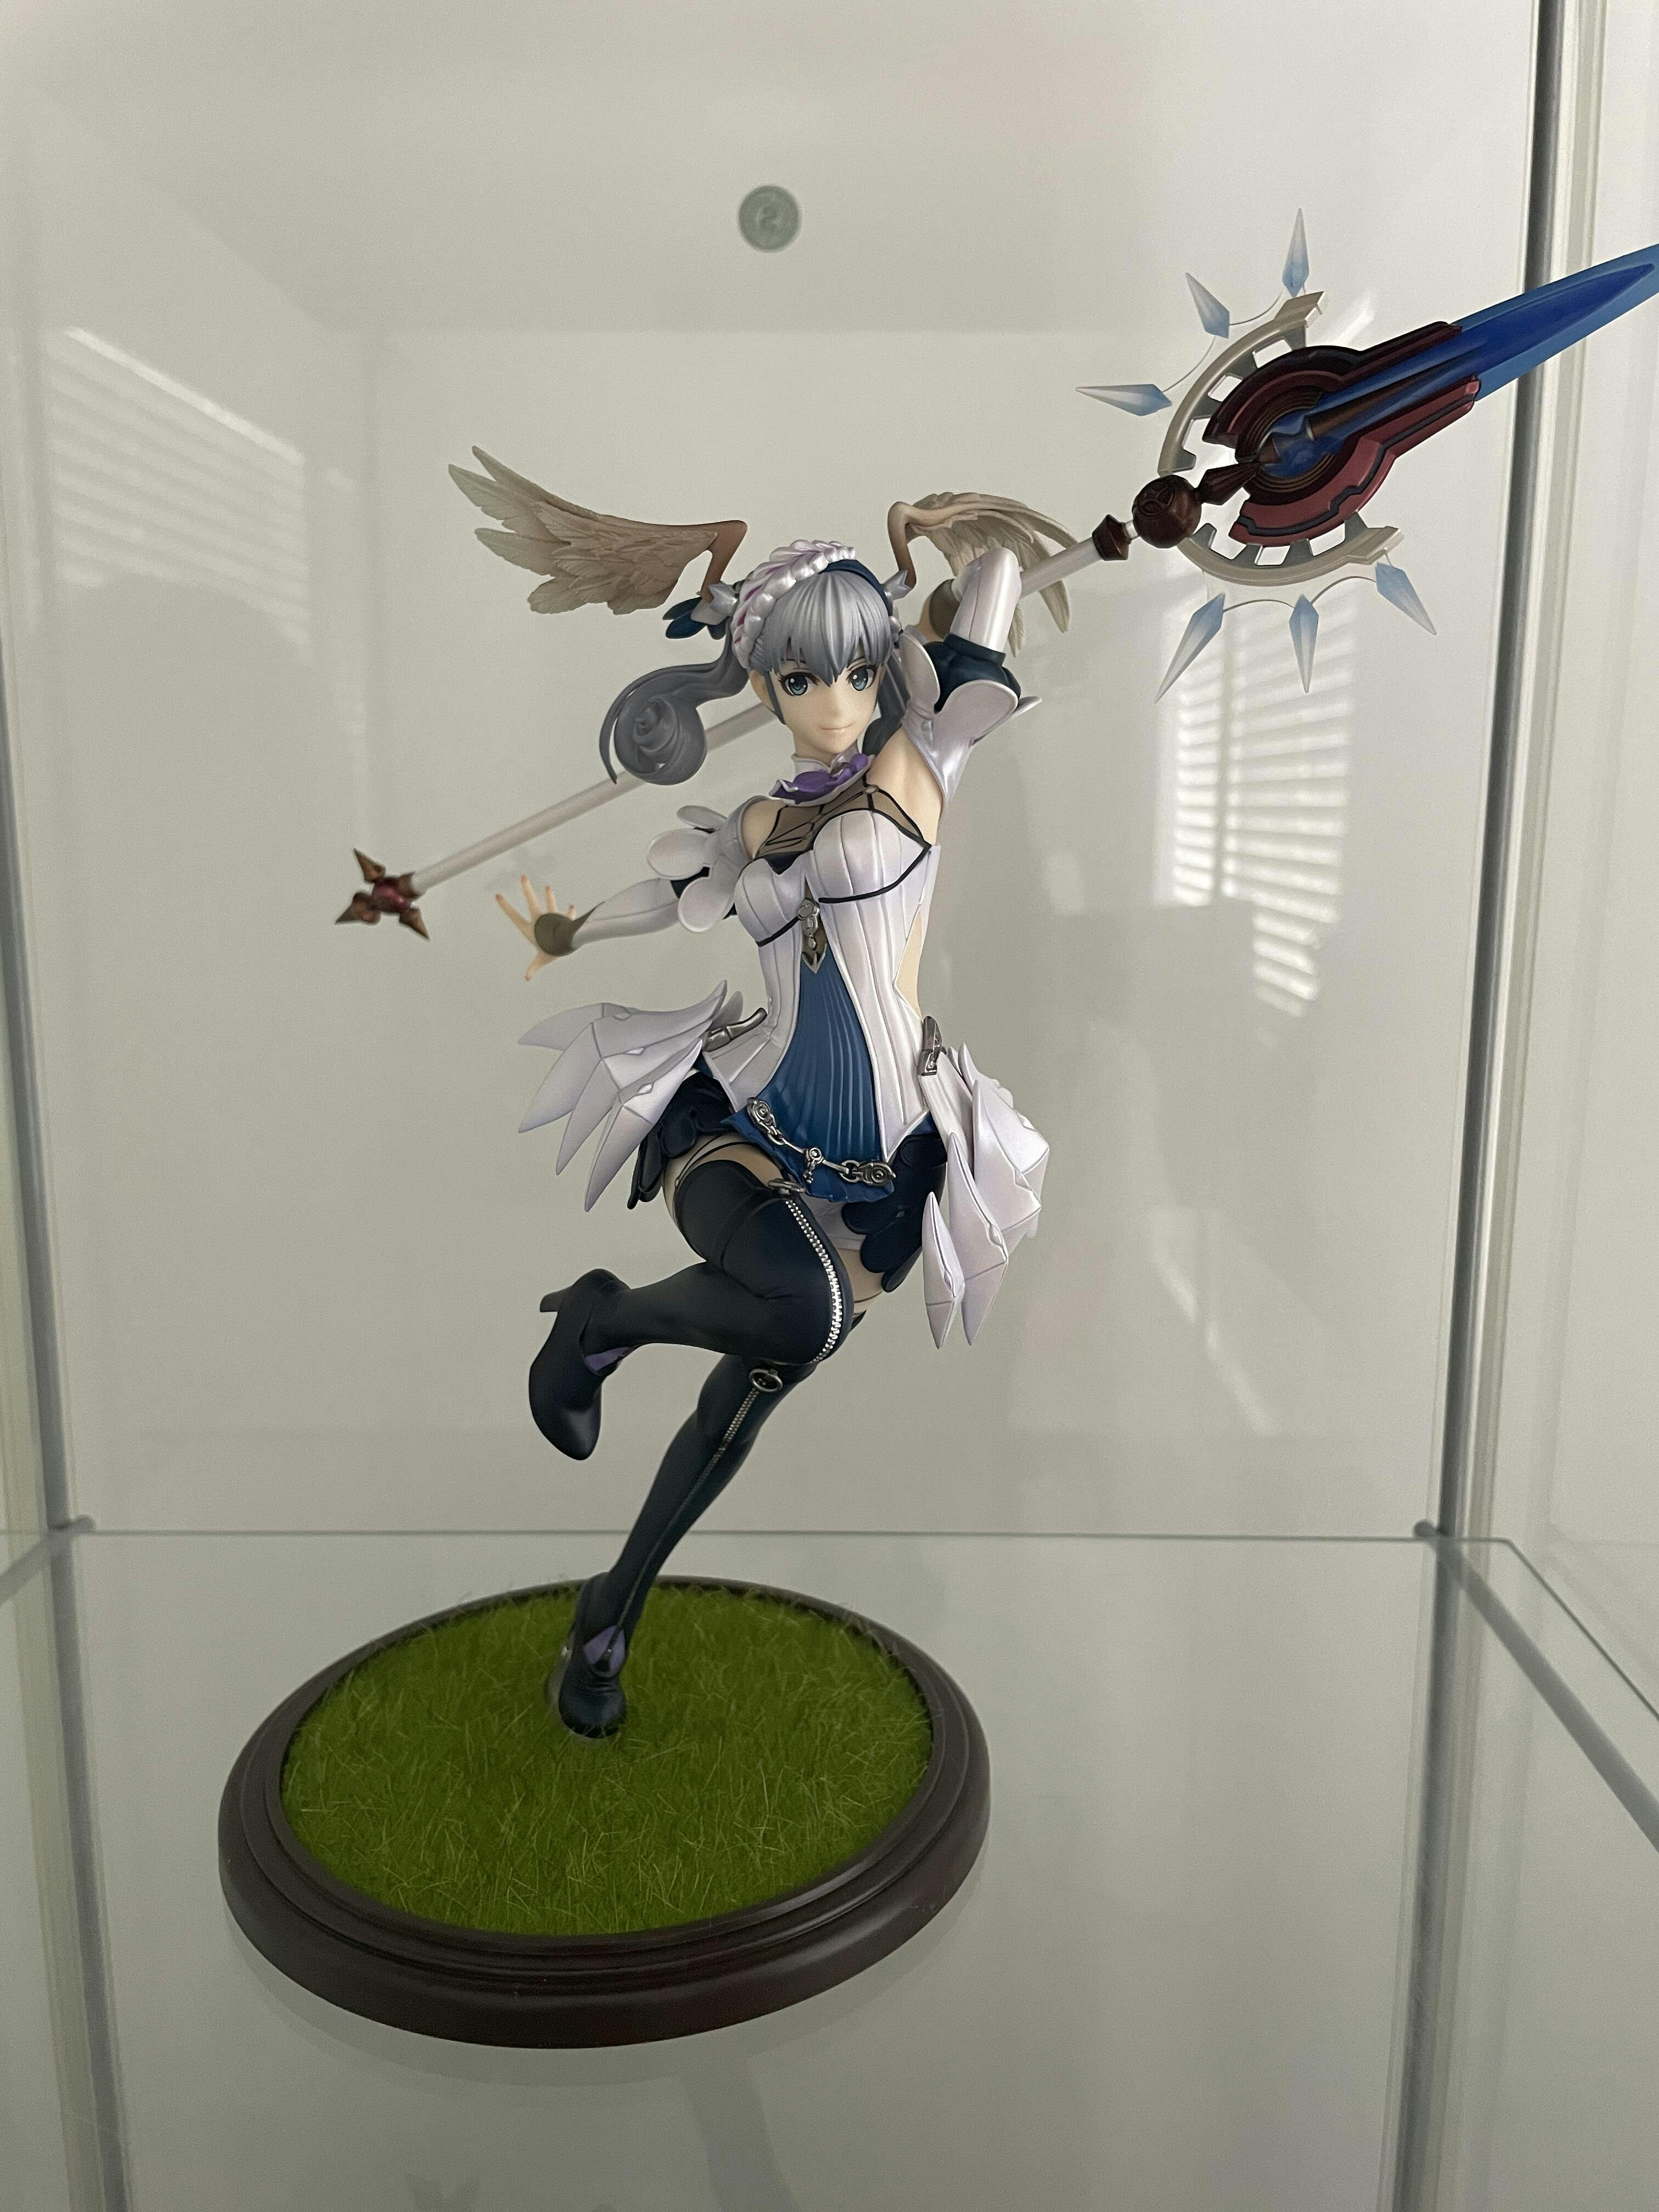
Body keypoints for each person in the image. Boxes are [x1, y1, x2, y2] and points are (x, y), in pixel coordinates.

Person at [455, 459, 1056, 1737]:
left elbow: (1002, 577)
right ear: (763, 684)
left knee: (747, 1399)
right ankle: (608, 1320)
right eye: (800, 679)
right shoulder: (756, 821)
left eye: (855, 671)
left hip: (892, 1163)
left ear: (885, 664)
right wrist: (571, 930)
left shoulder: (928, 754)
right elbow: (668, 897)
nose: (833, 703)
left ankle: (607, 1622)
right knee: (798, 1320)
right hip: (750, 1134)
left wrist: (935, 530)